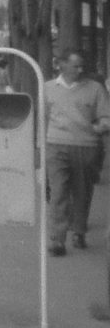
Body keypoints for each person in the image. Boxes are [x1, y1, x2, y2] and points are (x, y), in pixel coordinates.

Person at [43, 51, 110, 256]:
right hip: (56, 144)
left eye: (82, 66)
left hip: (86, 145)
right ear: (62, 65)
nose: (80, 70)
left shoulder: (95, 89)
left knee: (82, 192)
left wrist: (100, 127)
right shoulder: (48, 88)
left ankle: (79, 231)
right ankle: (57, 239)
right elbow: (42, 118)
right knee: (58, 192)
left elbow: (106, 116)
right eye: (76, 66)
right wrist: (40, 147)